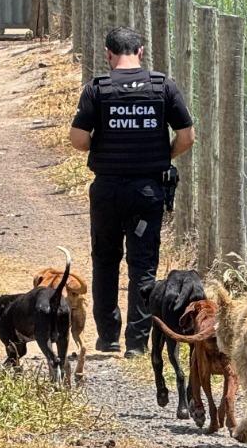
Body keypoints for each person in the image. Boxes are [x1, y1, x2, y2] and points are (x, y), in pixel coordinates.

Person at [68, 26, 195, 356]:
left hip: (107, 190)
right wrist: (161, 155)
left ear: (108, 54)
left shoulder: (98, 89)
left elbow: (79, 140)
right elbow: (187, 136)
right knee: (143, 265)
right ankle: (137, 343)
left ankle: (107, 336)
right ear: (140, 53)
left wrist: (106, 146)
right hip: (147, 191)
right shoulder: (161, 86)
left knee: (105, 261)